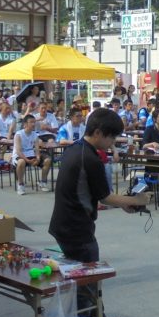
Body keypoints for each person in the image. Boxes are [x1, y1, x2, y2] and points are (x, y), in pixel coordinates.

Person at [48, 108, 147, 267]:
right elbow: (105, 197)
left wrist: (123, 203)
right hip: (76, 228)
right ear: (98, 133)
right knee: (88, 274)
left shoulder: (75, 148)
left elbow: (92, 190)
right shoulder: (91, 159)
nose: (112, 142)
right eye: (111, 137)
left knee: (75, 272)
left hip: (63, 223)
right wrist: (136, 200)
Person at [12, 114, 51, 194]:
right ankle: (20, 184)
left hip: (31, 155)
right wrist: (27, 160)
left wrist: (38, 158)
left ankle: (43, 182)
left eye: (34, 122)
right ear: (25, 124)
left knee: (47, 160)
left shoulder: (35, 134)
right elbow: (18, 151)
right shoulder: (18, 134)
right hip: (20, 156)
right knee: (21, 162)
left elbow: (36, 149)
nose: (33, 124)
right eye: (31, 122)